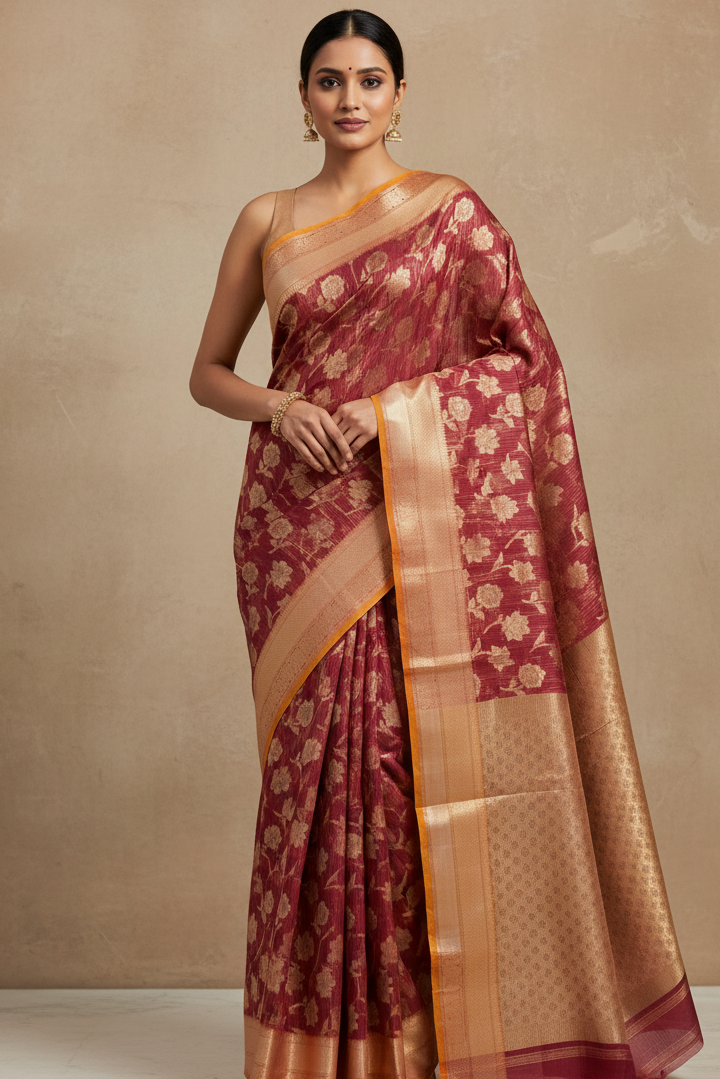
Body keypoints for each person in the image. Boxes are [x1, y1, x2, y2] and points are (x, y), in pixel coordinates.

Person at [189, 10, 704, 1079]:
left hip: (414, 511)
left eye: (369, 79)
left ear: (402, 93)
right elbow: (207, 371)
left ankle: (429, 1038)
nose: (349, 99)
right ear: (301, 98)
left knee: (400, 762)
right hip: (296, 526)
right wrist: (281, 410)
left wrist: (389, 417)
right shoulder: (267, 218)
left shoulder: (452, 214)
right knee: (315, 781)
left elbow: (526, 368)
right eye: (327, 80)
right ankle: (324, 1042)